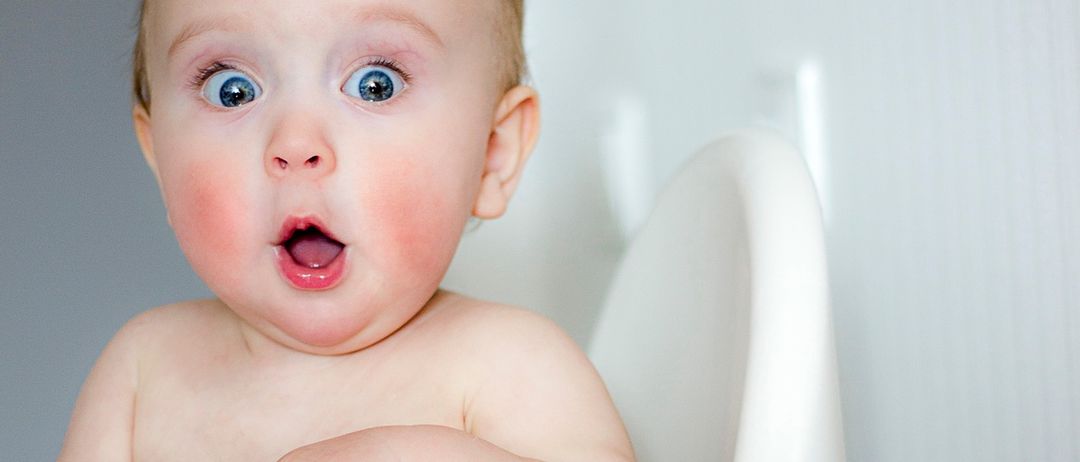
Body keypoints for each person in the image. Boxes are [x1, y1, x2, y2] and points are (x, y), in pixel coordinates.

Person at [58, 0, 634, 459]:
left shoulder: (513, 365)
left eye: (375, 84)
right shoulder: (141, 372)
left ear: (492, 154)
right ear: (160, 156)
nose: (296, 144)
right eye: (232, 89)